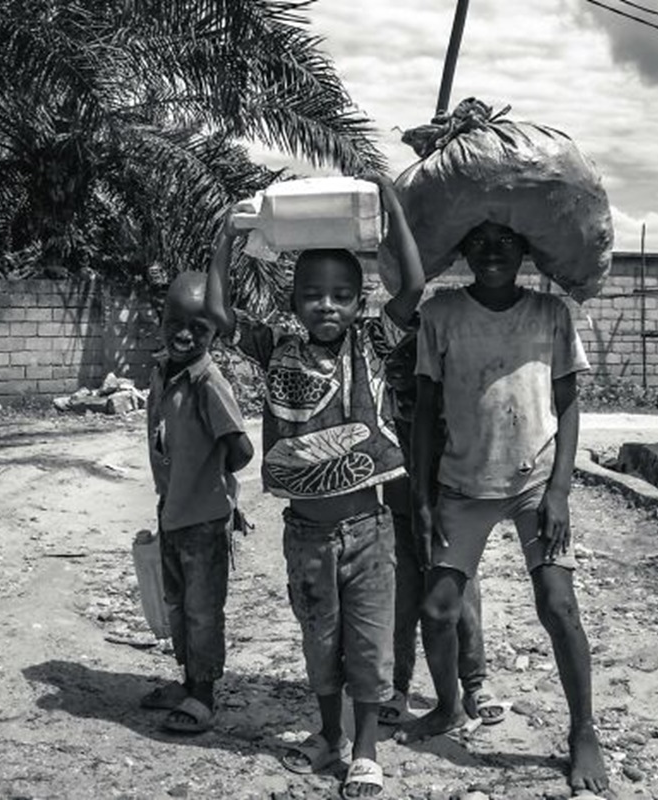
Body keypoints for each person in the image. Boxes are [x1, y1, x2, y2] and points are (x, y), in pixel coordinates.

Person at [206, 174, 425, 799]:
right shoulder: (276, 347)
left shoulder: (374, 343)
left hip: (368, 530)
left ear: (359, 302)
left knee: (367, 642)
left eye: (340, 296)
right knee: (319, 638)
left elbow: (412, 286)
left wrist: (393, 205)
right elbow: (219, 313)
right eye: (311, 294)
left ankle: (366, 751)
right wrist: (226, 239)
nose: (326, 305)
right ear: (293, 301)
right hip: (305, 533)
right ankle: (328, 736)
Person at [398, 221, 610, 795]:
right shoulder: (441, 316)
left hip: (536, 483)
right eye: (480, 242)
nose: (492, 253)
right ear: (463, 249)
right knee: (438, 610)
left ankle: (582, 731)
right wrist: (420, 497)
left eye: (506, 242)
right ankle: (447, 706)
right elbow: (425, 412)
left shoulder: (550, 314)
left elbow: (566, 404)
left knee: (558, 604)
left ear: (526, 250)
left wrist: (560, 490)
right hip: (462, 485)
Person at [138, 271, 254, 735]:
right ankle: (188, 681)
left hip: (205, 518)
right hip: (173, 511)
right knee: (179, 606)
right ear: (161, 318)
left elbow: (241, 450)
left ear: (215, 333)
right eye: (175, 322)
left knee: (204, 610)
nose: (184, 334)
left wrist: (213, 465)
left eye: (199, 328)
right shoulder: (163, 372)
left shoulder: (208, 381)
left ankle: (203, 694)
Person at [380, 333, 505, 729]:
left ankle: (474, 684)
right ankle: (397, 688)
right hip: (400, 511)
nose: (405, 386)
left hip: (451, 511)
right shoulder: (384, 401)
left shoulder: (456, 402)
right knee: (401, 603)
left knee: (462, 600)